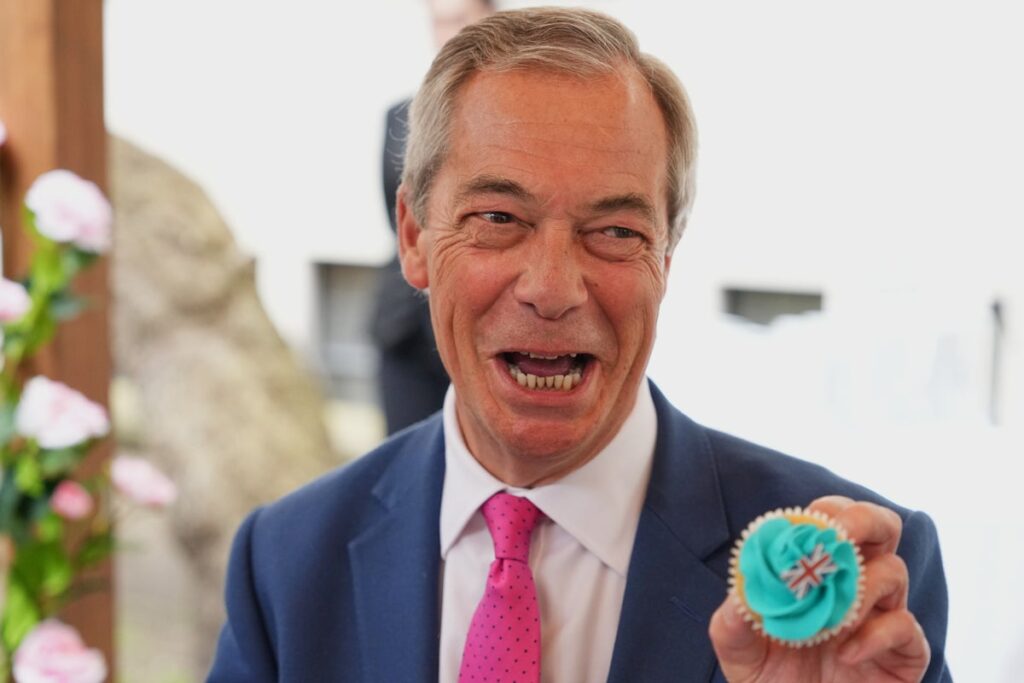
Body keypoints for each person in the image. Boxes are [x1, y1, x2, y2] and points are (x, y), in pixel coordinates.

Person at [208, 8, 950, 682]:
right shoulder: (284, 564)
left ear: (665, 260)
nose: (553, 287)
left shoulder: (849, 583)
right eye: (499, 218)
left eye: (616, 231)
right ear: (413, 237)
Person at [374, 0, 495, 434]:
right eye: (440, 22)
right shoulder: (400, 116)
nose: (449, 34)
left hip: (486, 322)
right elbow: (396, 217)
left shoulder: (518, 123)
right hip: (405, 326)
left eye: (460, 20)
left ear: (490, 18)